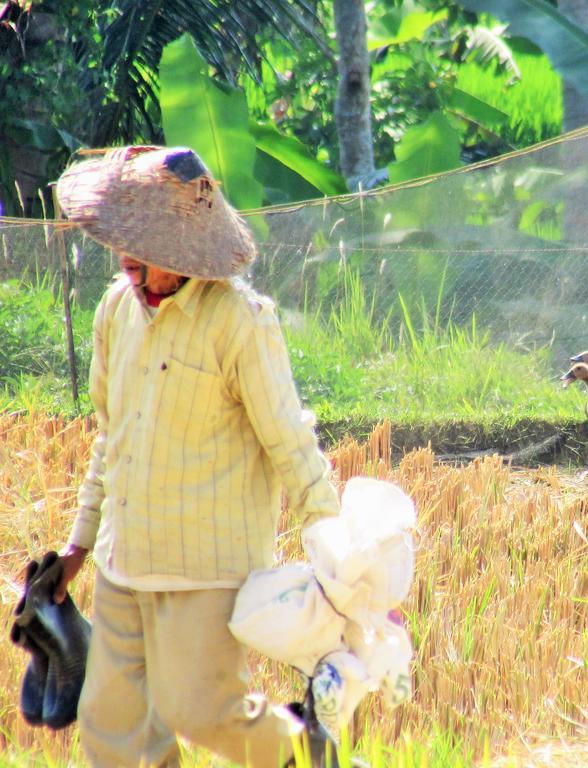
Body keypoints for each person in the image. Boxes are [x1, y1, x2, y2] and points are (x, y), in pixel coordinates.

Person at [52, 145, 343, 767]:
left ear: (185, 250)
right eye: (124, 248)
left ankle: (305, 755)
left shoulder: (239, 321)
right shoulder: (114, 311)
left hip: (203, 563)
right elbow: (112, 437)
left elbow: (288, 437)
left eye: (146, 255)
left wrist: (332, 541)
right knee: (112, 726)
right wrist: (78, 545)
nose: (130, 266)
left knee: (200, 710)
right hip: (122, 559)